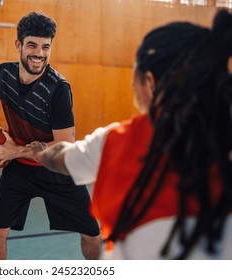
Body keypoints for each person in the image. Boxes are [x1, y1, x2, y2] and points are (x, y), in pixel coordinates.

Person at [26, 9, 232, 259]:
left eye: (134, 73)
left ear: (150, 81)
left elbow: (60, 156)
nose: (132, 84)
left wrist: (40, 154)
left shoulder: (117, 142)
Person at [0, 11, 102, 260]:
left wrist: (15, 151)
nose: (39, 53)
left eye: (45, 47)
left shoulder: (58, 89)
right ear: (18, 45)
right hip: (19, 171)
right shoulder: (4, 74)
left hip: (59, 170)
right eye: (32, 45)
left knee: (92, 234)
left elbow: (64, 144)